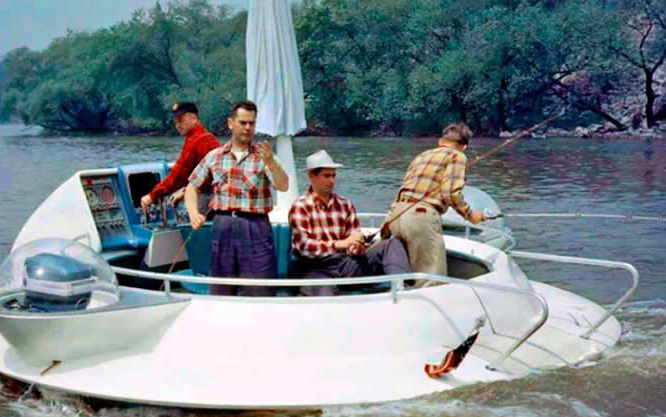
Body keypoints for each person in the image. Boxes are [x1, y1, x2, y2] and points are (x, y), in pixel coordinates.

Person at [185, 100, 289, 296]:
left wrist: (271, 164)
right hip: (223, 226)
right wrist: (193, 213)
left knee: (260, 290)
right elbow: (192, 187)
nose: (248, 128)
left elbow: (283, 186)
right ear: (231, 123)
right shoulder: (214, 156)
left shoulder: (265, 156)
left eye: (252, 123)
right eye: (243, 122)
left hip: (255, 226)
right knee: (221, 289)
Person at [289, 150, 411, 296]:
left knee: (391, 244)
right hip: (315, 269)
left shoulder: (345, 204)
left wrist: (357, 246)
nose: (332, 181)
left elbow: (351, 245)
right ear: (311, 176)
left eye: (334, 175)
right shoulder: (300, 207)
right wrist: (340, 244)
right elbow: (304, 247)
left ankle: (402, 289)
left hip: (346, 264)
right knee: (324, 294)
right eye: (326, 176)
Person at [386, 123, 485, 284]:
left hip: (396, 215)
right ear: (464, 146)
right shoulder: (457, 156)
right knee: (432, 281)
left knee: (408, 279)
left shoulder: (421, 156)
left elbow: (402, 192)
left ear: (441, 140)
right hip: (420, 218)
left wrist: (385, 230)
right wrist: (471, 216)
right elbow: (450, 193)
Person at [140, 102, 219, 218]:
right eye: (175, 121)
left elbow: (177, 177)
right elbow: (206, 176)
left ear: (194, 118)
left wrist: (151, 196)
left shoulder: (195, 140)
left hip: (209, 200)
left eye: (181, 120)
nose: (177, 125)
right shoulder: (209, 137)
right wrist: (186, 190)